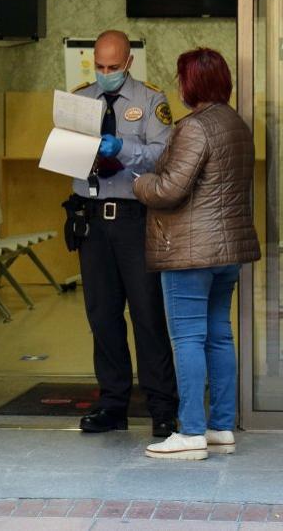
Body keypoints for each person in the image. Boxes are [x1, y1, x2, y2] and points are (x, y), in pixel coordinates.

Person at [133, 48, 259, 461]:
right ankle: (220, 426)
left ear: (191, 84)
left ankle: (189, 431)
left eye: (180, 77)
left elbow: (170, 189)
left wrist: (141, 184)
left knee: (187, 337)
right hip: (227, 251)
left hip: (190, 252)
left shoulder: (194, 128)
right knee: (219, 335)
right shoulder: (236, 123)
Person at [67, 30, 178, 437]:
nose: (105, 73)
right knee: (102, 316)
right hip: (93, 219)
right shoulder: (79, 99)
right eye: (99, 66)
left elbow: (163, 154)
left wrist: (123, 151)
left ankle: (161, 405)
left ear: (128, 63)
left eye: (113, 67)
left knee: (147, 315)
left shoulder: (151, 101)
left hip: (135, 219)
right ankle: (112, 403)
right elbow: (65, 150)